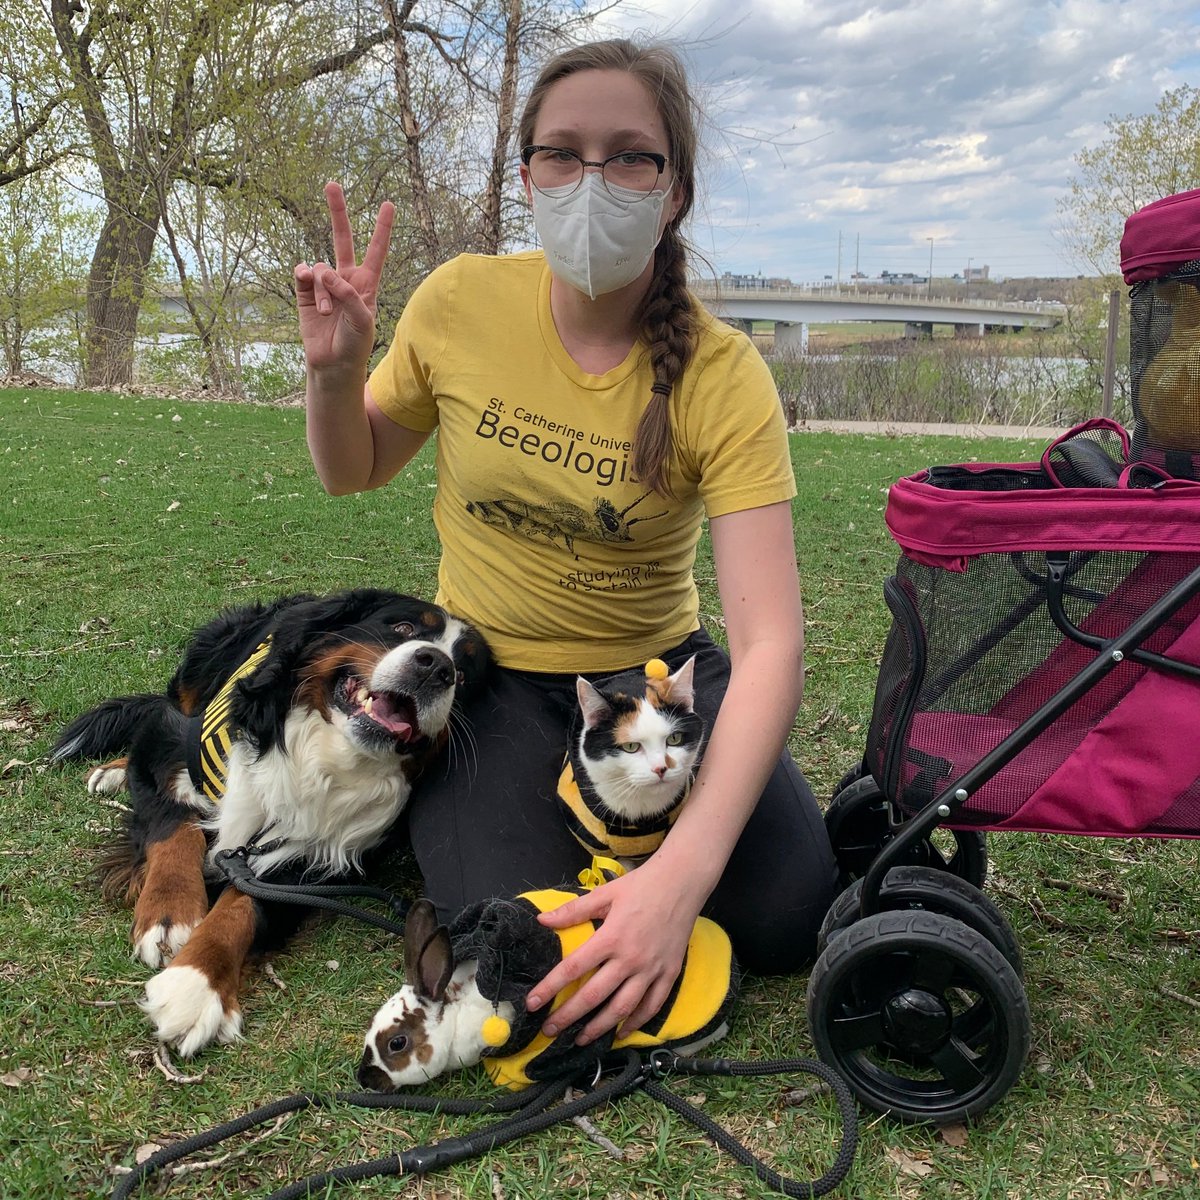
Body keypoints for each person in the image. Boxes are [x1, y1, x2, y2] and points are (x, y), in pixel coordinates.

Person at [295, 38, 838, 1049]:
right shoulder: (459, 301)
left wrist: (683, 879)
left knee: (786, 915)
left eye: (632, 156)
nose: (594, 181)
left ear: (674, 189)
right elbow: (352, 467)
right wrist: (334, 374)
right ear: (527, 174)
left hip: (655, 684)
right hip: (490, 680)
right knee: (515, 929)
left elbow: (771, 648)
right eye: (562, 154)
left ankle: (649, 855)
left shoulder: (723, 375)